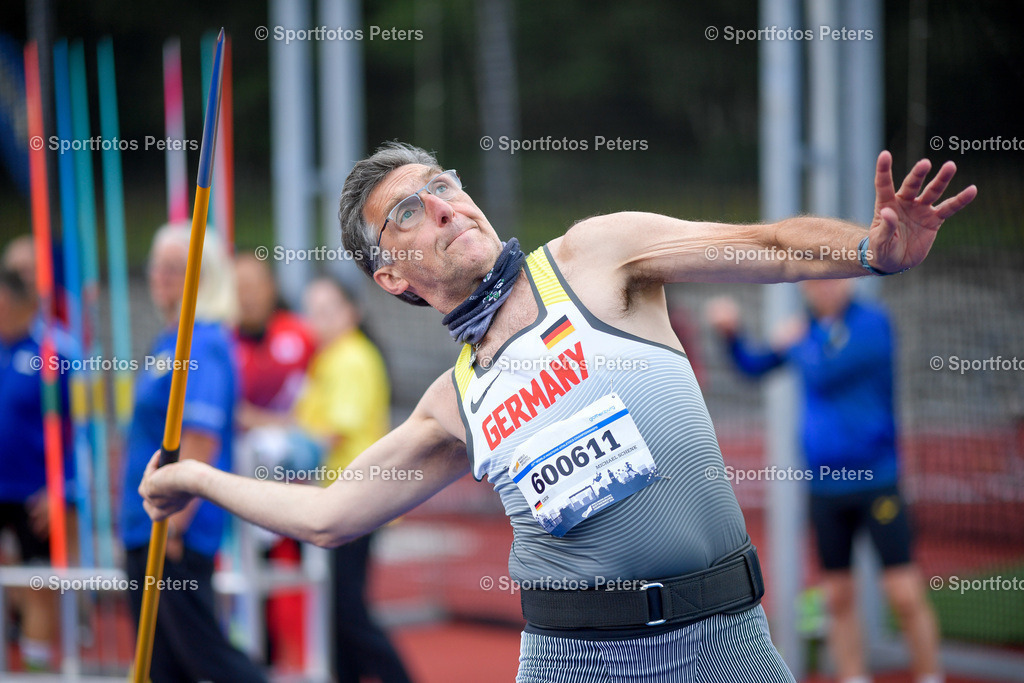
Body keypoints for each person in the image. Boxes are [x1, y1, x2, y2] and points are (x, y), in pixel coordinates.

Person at [139, 143, 975, 682]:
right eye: (406, 211)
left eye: (443, 184)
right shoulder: (454, 402)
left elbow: (766, 246)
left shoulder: (594, 258)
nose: (442, 204)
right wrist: (198, 478)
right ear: (391, 276)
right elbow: (326, 514)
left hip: (725, 645)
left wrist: (870, 251)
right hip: (574, 663)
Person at [706, 280, 943, 683]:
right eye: (813, 280)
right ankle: (853, 676)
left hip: (876, 481)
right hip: (824, 487)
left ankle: (930, 675)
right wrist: (731, 333)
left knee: (903, 592)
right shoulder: (807, 332)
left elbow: (826, 370)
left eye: (831, 277)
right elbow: (754, 367)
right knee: (837, 597)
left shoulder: (871, 323)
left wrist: (796, 341)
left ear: (849, 279)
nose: (823, 288)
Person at [120, 225, 267, 683]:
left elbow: (200, 441)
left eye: (174, 268)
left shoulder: (201, 344)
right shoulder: (169, 340)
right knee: (165, 665)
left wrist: (174, 528)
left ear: (200, 275)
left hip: (170, 529)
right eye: (156, 265)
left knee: (209, 657)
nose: (160, 276)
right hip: (144, 524)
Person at [293, 276, 411, 683]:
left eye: (327, 310)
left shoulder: (352, 359)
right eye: (312, 311)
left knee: (346, 609)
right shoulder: (329, 359)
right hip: (341, 500)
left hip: (357, 501)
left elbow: (329, 431)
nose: (317, 321)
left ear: (352, 312)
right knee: (336, 610)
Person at [234, 252, 317, 671]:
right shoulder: (219, 346)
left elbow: (320, 407)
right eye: (237, 287)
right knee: (244, 587)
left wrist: (262, 420)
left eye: (253, 285)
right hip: (238, 489)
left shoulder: (302, 336)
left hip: (299, 484)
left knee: (306, 582)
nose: (246, 296)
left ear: (271, 287)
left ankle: (306, 662)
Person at [0, 267, 72, 672]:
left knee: (38, 582)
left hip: (34, 492)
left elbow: (74, 427)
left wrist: (59, 488)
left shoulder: (52, 353)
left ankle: (37, 671)